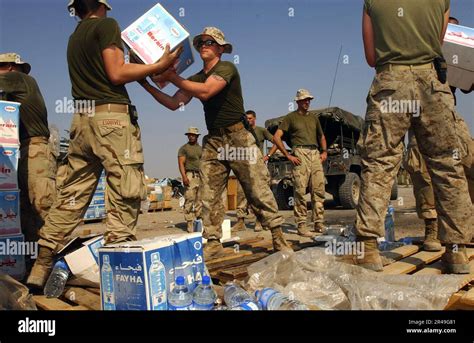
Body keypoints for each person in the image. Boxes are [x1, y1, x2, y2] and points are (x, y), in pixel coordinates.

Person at [27, 0, 182, 288]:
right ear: (102, 5)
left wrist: (142, 70)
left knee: (71, 196)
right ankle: (120, 268)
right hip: (111, 121)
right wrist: (158, 65)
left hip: (82, 123)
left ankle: (41, 264)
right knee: (126, 189)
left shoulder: (75, 38)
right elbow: (116, 73)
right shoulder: (107, 25)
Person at [138, 27, 293, 259]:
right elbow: (173, 103)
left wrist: (172, 77)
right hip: (214, 140)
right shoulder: (195, 78)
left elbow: (207, 92)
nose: (204, 45)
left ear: (221, 48)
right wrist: (146, 84)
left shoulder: (227, 68)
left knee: (257, 189)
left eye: (210, 42)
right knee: (208, 193)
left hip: (238, 137)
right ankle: (212, 240)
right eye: (200, 43)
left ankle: (277, 235)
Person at [353, 0, 472, 274]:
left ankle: (368, 249)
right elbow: (438, 43)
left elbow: (371, 57)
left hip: (390, 84)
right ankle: (457, 252)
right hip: (432, 84)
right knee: (447, 166)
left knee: (379, 165)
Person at [0, 53, 57, 249]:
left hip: (34, 149)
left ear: (9, 67)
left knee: (43, 205)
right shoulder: (10, 96)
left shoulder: (20, 79)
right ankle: (34, 261)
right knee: (24, 210)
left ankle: (57, 258)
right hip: (17, 152)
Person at [273, 89, 328, 237]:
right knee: (300, 190)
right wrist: (288, 155)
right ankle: (301, 225)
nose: (307, 102)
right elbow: (277, 137)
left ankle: (319, 223)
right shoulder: (290, 118)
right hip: (300, 152)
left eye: (309, 99)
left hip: (315, 153)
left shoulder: (314, 118)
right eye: (304, 100)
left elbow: (321, 136)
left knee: (319, 189)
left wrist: (324, 152)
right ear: (297, 102)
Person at [233, 110, 278, 233]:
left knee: (258, 193)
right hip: (243, 164)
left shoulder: (261, 131)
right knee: (241, 193)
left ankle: (259, 221)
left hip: (257, 165)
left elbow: (276, 142)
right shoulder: (241, 132)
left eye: (250, 118)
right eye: (246, 118)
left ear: (255, 118)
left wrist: (268, 155)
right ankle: (240, 221)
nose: (248, 120)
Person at [178, 127, 202, 232]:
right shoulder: (184, 148)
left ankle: (199, 221)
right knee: (189, 198)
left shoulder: (201, 148)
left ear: (197, 136)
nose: (191, 136)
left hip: (200, 175)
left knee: (200, 200)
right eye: (189, 135)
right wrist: (184, 176)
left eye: (193, 135)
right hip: (190, 175)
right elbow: (181, 163)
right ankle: (189, 223)